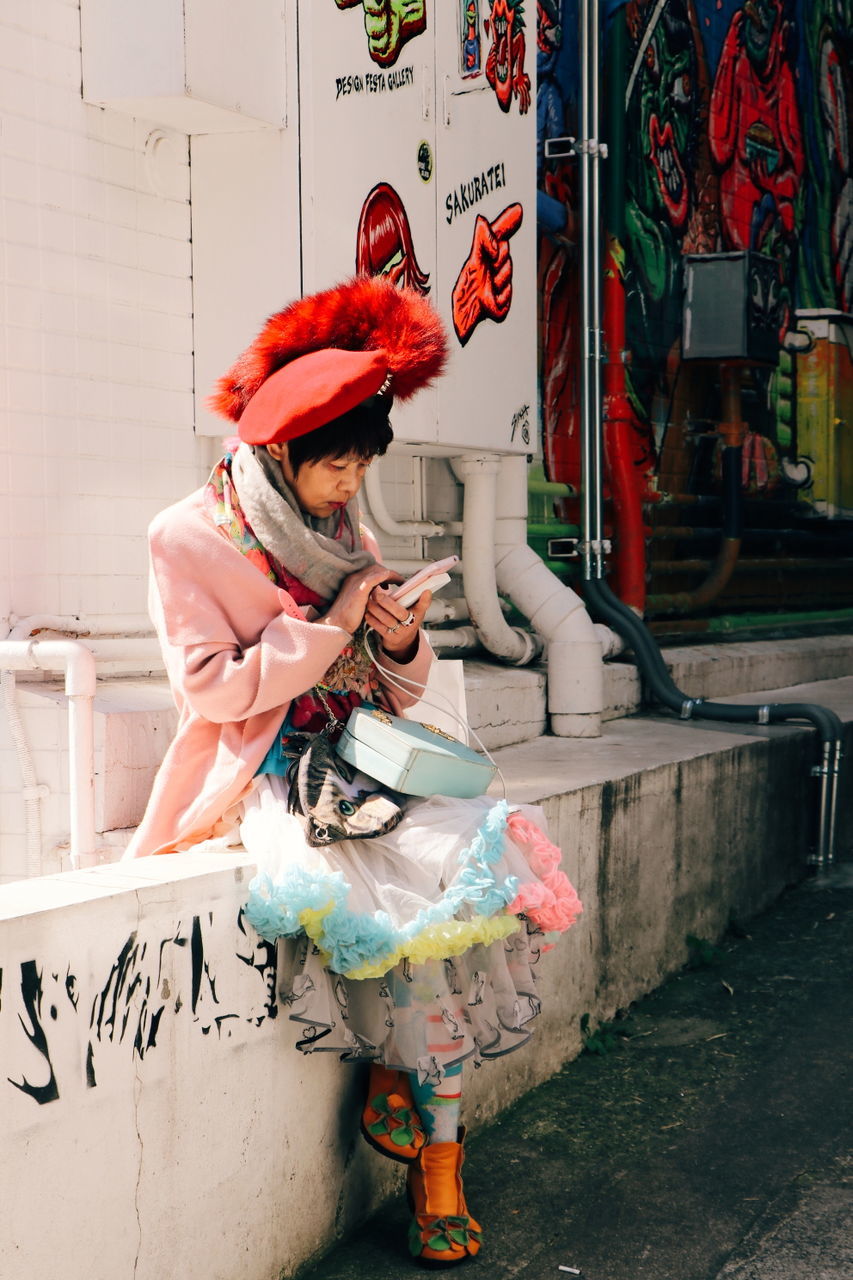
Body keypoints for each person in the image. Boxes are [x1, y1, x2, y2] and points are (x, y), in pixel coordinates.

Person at [124, 276, 582, 1267]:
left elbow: (397, 688)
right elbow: (210, 691)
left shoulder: (342, 534)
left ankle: (425, 1131)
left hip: (370, 754)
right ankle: (433, 1160)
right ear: (282, 451)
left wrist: (400, 636)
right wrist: (332, 625)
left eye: (361, 466)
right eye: (336, 465)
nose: (348, 488)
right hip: (276, 770)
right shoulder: (187, 535)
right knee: (407, 922)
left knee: (471, 873)